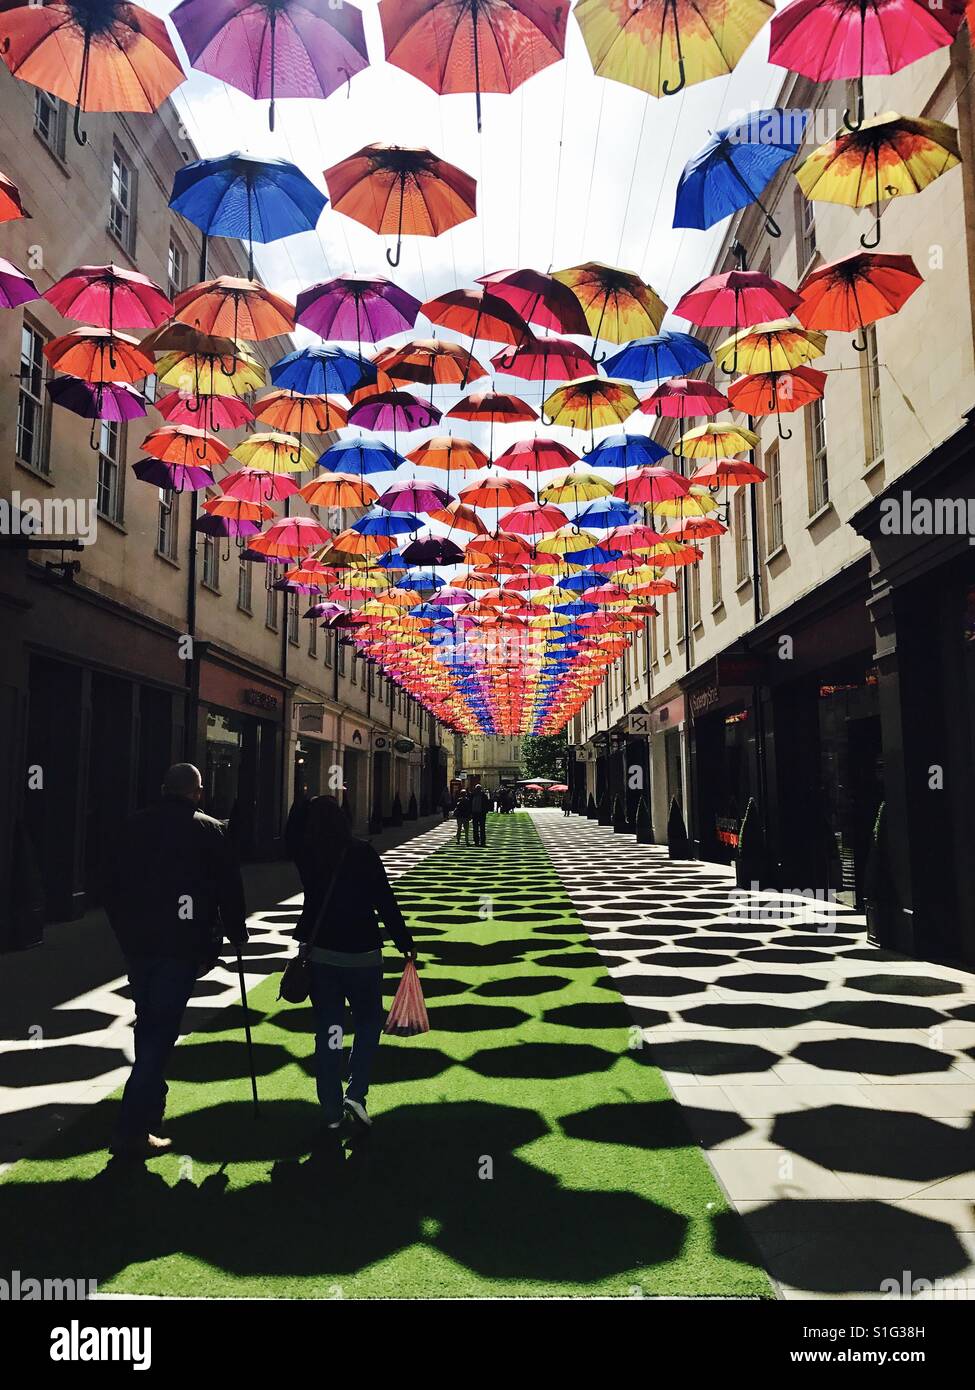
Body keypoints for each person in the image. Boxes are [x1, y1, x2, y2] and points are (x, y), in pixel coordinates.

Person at [105, 763, 247, 1158]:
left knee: (150, 1022)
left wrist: (124, 931)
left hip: (140, 944)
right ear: (197, 793)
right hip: (181, 945)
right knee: (159, 1030)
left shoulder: (134, 824)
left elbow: (111, 884)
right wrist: (237, 931)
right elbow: (227, 887)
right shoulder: (210, 830)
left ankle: (150, 1113)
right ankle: (131, 1129)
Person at [287, 795, 415, 1131]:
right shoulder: (363, 853)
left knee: (329, 1028)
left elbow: (291, 830)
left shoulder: (308, 855)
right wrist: (404, 942)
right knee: (368, 1024)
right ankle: (356, 1092)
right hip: (363, 954)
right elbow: (384, 900)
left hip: (322, 954)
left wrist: (305, 803)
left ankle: (330, 1109)